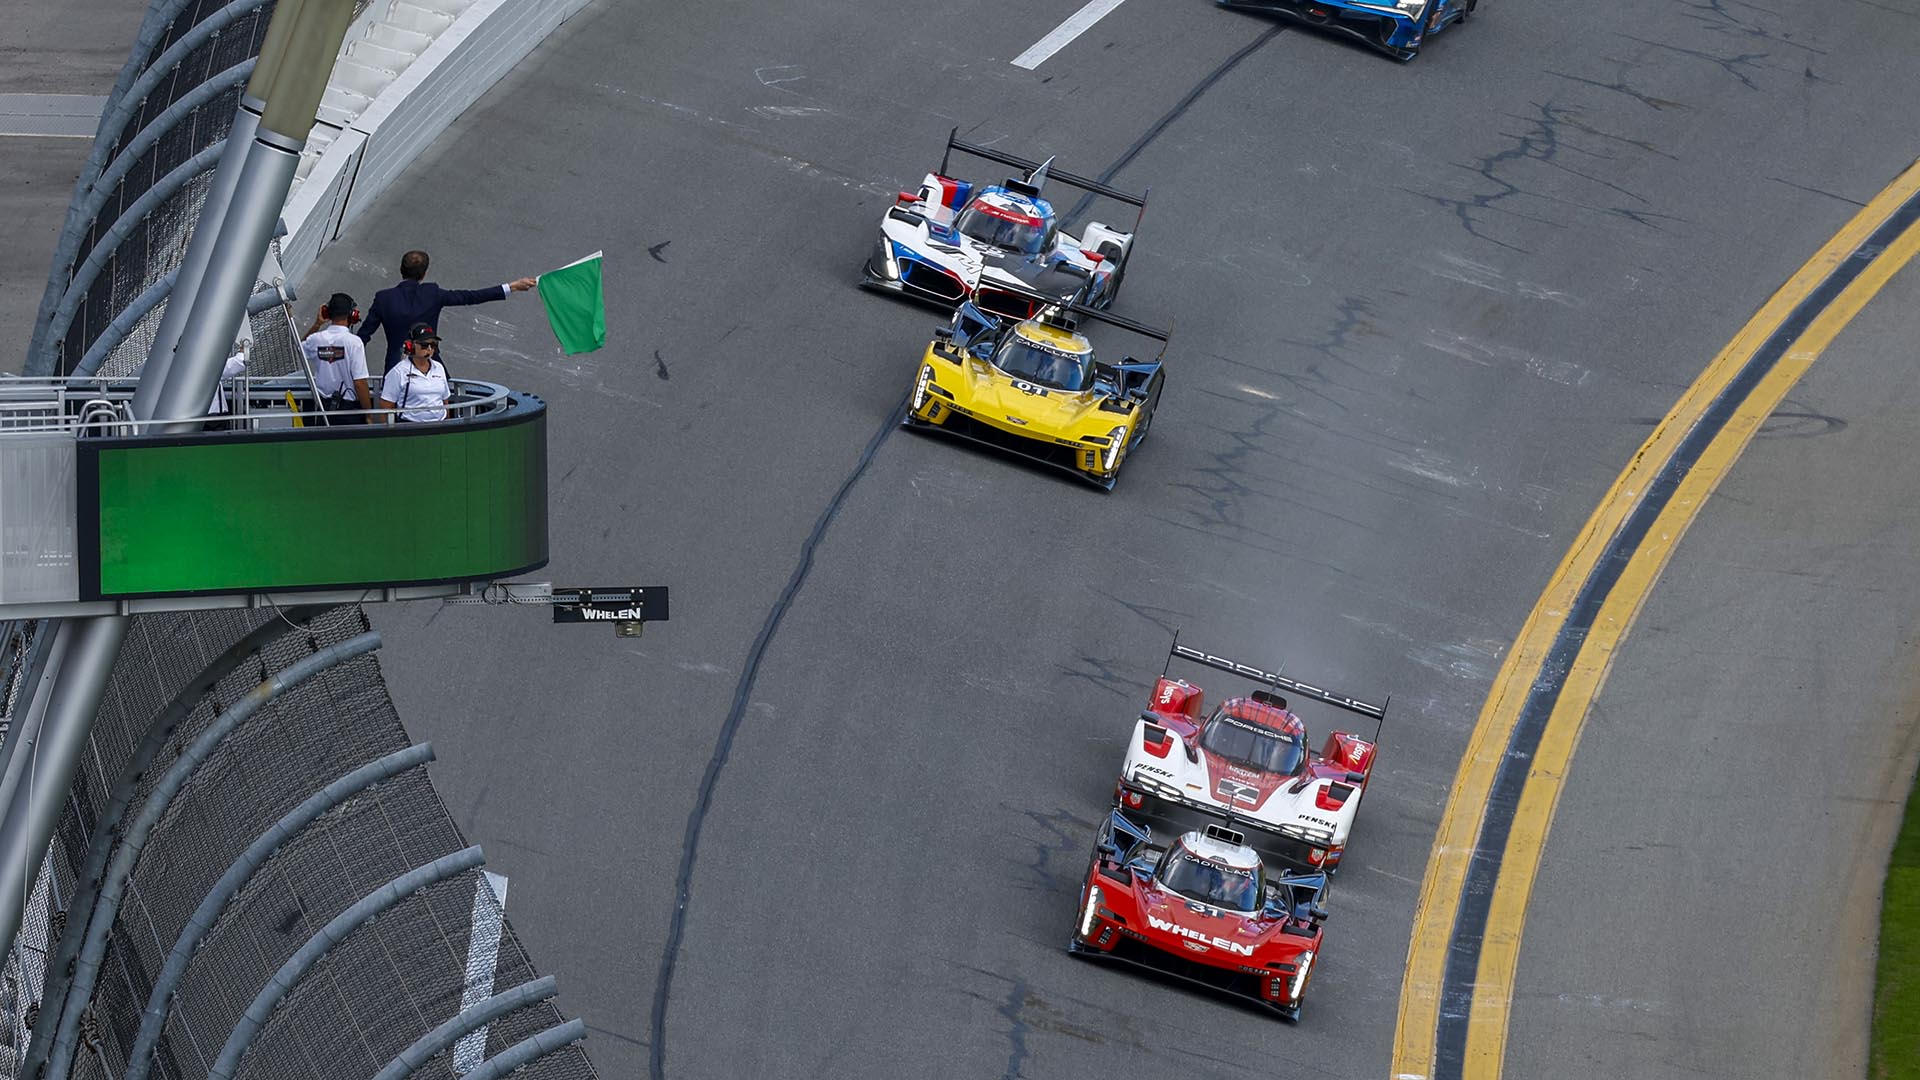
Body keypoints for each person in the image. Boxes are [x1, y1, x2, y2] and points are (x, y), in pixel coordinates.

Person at [357, 249, 536, 372]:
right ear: (424, 274)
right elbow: (470, 296)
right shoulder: (432, 293)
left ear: (401, 270)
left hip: (395, 363)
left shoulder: (383, 298)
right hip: (429, 361)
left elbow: (363, 336)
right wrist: (511, 287)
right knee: (447, 401)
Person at [302, 292, 373, 422]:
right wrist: (368, 414)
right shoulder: (354, 342)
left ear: (327, 314)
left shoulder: (316, 339)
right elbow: (360, 383)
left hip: (321, 409)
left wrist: (317, 324)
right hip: (348, 411)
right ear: (352, 315)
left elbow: (300, 347)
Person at [379, 323, 453, 423]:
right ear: (411, 346)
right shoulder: (399, 371)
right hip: (411, 427)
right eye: (424, 345)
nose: (430, 349)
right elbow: (386, 406)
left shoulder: (439, 367)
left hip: (440, 424)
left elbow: (445, 400)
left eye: (433, 345)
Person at [204, 343, 250, 432]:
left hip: (208, 418)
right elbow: (237, 363)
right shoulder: (206, 366)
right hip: (213, 419)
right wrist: (243, 350)